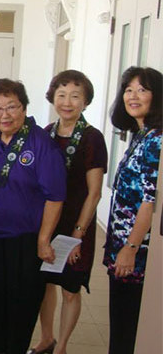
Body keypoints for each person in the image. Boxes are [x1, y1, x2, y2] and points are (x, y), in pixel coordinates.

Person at [0, 79, 66, 354]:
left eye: (12, 107)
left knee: (22, 305)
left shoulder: (40, 144)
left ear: (24, 108)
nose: (4, 115)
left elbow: (55, 196)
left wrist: (43, 240)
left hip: (24, 241)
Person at [29, 70, 108, 354]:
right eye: (61, 95)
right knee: (46, 284)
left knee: (70, 288)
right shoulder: (47, 133)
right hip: (48, 224)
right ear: (52, 97)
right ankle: (46, 338)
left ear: (85, 102)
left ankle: (61, 346)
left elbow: (94, 192)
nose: (67, 101)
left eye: (75, 96)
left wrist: (78, 233)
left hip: (77, 226)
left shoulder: (92, 138)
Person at [103, 66, 161, 354]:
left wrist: (130, 247)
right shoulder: (140, 135)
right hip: (123, 246)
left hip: (136, 252)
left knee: (128, 327)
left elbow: (151, 202)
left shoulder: (156, 140)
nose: (133, 96)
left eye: (142, 89)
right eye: (128, 89)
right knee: (121, 322)